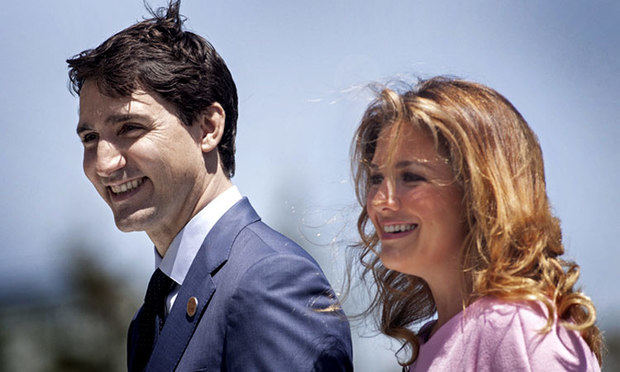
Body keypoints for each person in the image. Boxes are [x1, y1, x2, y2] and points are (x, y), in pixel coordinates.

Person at [67, 1, 352, 371]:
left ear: (207, 128)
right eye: (90, 138)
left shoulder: (271, 282)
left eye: (129, 128)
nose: (103, 163)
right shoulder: (148, 317)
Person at [350, 77, 603, 370]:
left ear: (481, 193)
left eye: (411, 177)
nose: (381, 200)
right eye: (376, 178)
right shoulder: (443, 339)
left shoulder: (517, 332)